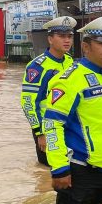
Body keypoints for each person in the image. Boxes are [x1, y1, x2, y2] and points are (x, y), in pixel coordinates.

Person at [43, 16, 102, 204]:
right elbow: (52, 125)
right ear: (86, 47)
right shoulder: (69, 80)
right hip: (79, 171)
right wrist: (60, 169)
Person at [19, 16, 77, 165]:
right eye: (62, 36)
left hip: (67, 124)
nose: (67, 40)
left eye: (69, 36)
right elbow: (28, 102)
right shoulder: (37, 66)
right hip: (47, 127)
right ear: (50, 39)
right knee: (49, 170)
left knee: (69, 166)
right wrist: (40, 133)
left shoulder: (70, 61)